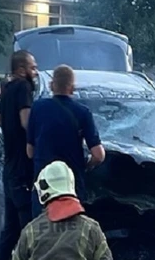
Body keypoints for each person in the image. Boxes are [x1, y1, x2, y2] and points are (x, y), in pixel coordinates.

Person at [0, 50, 39, 260]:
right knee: (28, 235)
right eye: (32, 66)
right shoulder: (23, 89)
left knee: (9, 234)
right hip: (22, 171)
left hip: (9, 168)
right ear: (21, 68)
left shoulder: (6, 89)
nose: (36, 70)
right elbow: (26, 123)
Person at [26, 65, 105, 215]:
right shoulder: (83, 113)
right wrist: (85, 166)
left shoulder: (37, 108)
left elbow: (30, 152)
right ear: (72, 88)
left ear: (51, 85)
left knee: (41, 233)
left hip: (44, 188)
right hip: (72, 188)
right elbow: (99, 155)